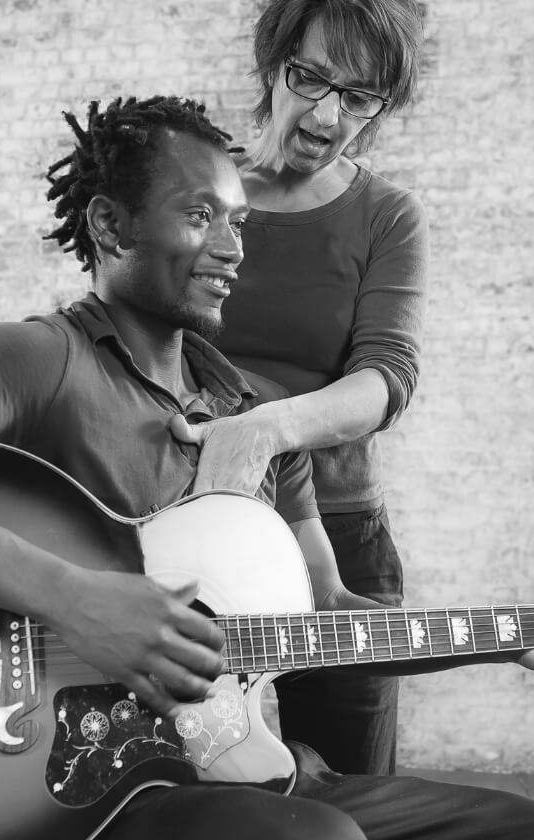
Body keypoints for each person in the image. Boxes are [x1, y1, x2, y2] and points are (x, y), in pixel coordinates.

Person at [0, 95, 534, 840]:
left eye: (238, 221)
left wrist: (521, 634)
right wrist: (70, 596)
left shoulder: (255, 414)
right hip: (89, 790)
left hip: (241, 769)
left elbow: (325, 617)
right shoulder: (42, 361)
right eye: (198, 217)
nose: (232, 248)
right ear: (110, 225)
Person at [170, 0, 428, 777]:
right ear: (272, 64)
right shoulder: (194, 192)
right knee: (192, 787)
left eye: (358, 96)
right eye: (309, 77)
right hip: (184, 531)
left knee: (354, 794)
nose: (326, 114)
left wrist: (266, 428)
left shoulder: (387, 216)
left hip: (338, 540)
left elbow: (387, 377)